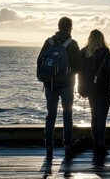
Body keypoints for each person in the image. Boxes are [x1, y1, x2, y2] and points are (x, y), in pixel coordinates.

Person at [37, 16, 81, 160]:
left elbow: (40, 62)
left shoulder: (48, 42)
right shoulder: (72, 44)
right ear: (70, 28)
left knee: (51, 115)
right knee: (67, 115)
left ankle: (48, 143)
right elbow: (78, 67)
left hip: (49, 84)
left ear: (58, 26)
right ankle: (67, 144)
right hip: (67, 85)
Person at [78, 29, 110, 160]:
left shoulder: (84, 52)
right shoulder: (105, 52)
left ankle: (95, 145)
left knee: (94, 117)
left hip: (90, 90)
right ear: (101, 38)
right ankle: (101, 146)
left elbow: (80, 73)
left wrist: (81, 88)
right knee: (102, 119)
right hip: (104, 89)